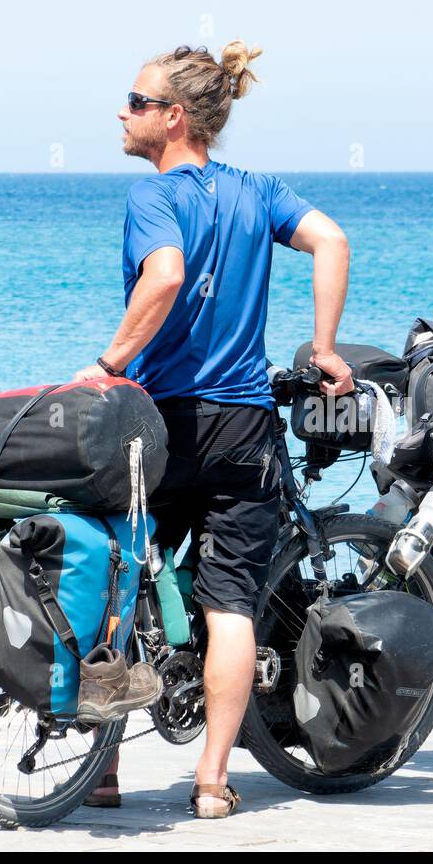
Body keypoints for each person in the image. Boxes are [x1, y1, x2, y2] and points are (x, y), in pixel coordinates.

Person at [72, 40, 354, 819]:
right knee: (231, 601)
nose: (121, 114)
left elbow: (163, 275)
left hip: (160, 424)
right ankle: (211, 780)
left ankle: (100, 771)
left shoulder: (152, 197)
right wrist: (324, 346)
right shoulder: (256, 190)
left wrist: (107, 364)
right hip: (244, 424)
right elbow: (331, 240)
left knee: (119, 575)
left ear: (173, 117)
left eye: (135, 102)